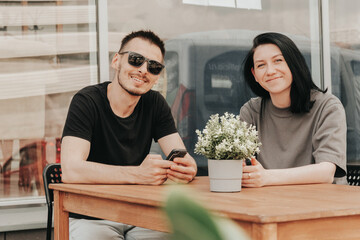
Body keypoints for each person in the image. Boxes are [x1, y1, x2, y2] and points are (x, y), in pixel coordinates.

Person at [61, 30, 197, 240]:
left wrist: (187, 168)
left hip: (140, 215)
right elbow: (71, 170)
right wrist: (138, 174)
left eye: (153, 66)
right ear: (116, 61)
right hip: (90, 216)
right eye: (136, 60)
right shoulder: (87, 101)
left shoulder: (155, 103)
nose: (143, 70)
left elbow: (180, 156)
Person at [240, 32, 347, 188]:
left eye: (278, 61)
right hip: (270, 205)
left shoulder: (328, 107)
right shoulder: (251, 111)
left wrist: (266, 177)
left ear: (293, 63)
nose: (270, 71)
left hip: (323, 205)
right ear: (254, 74)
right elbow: (242, 167)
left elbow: (326, 172)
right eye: (261, 65)